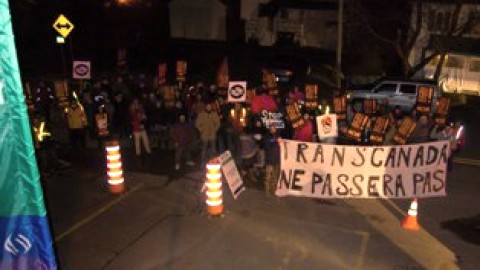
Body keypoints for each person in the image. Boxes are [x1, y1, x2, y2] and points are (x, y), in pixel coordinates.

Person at [264, 126, 281, 196]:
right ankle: (267, 190)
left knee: (275, 176)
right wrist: (275, 141)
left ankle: (273, 189)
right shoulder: (267, 137)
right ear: (269, 130)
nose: (272, 130)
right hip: (269, 160)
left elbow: (280, 147)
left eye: (274, 128)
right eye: (271, 129)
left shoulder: (278, 137)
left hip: (276, 160)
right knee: (268, 176)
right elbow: (266, 146)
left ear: (276, 129)